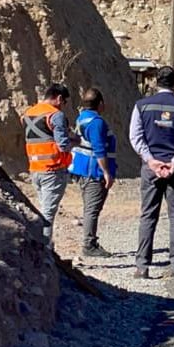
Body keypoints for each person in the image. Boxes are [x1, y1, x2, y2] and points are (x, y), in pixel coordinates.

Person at [129, 66, 174, 279]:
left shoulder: (141, 106)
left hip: (151, 169)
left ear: (156, 82)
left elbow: (135, 137)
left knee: (148, 215)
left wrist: (151, 161)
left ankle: (142, 267)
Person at [22, 83, 72, 247]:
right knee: (47, 214)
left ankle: (42, 247)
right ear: (59, 98)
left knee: (43, 210)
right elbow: (63, 145)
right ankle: (45, 250)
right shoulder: (55, 115)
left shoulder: (29, 113)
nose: (63, 107)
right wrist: (77, 141)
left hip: (35, 169)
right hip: (53, 169)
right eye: (64, 102)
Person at [68, 88, 116, 258]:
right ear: (101, 104)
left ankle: (90, 242)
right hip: (93, 171)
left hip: (81, 168)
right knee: (92, 209)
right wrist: (106, 172)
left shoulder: (82, 118)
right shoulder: (97, 123)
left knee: (91, 208)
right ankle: (89, 244)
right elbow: (99, 149)